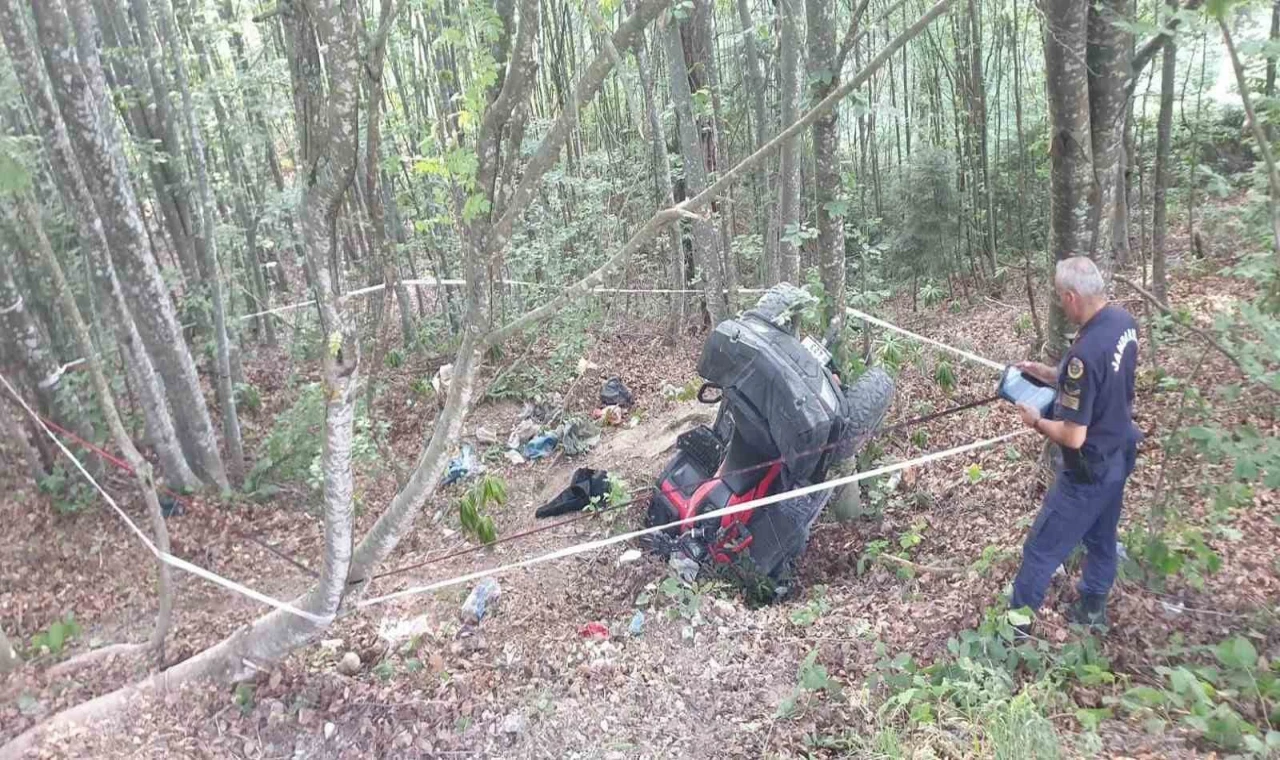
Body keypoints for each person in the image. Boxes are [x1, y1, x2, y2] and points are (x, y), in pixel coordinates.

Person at [1010, 256, 1142, 630]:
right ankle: (1093, 610)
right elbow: (1100, 381)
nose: (1060, 304)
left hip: (1088, 469)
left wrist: (1036, 421)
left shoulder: (1082, 355)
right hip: (1119, 452)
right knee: (1102, 538)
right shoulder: (1123, 323)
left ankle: (1014, 634)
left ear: (1071, 297)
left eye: (1058, 297)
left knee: (1039, 550)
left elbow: (1072, 434)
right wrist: (1048, 374)